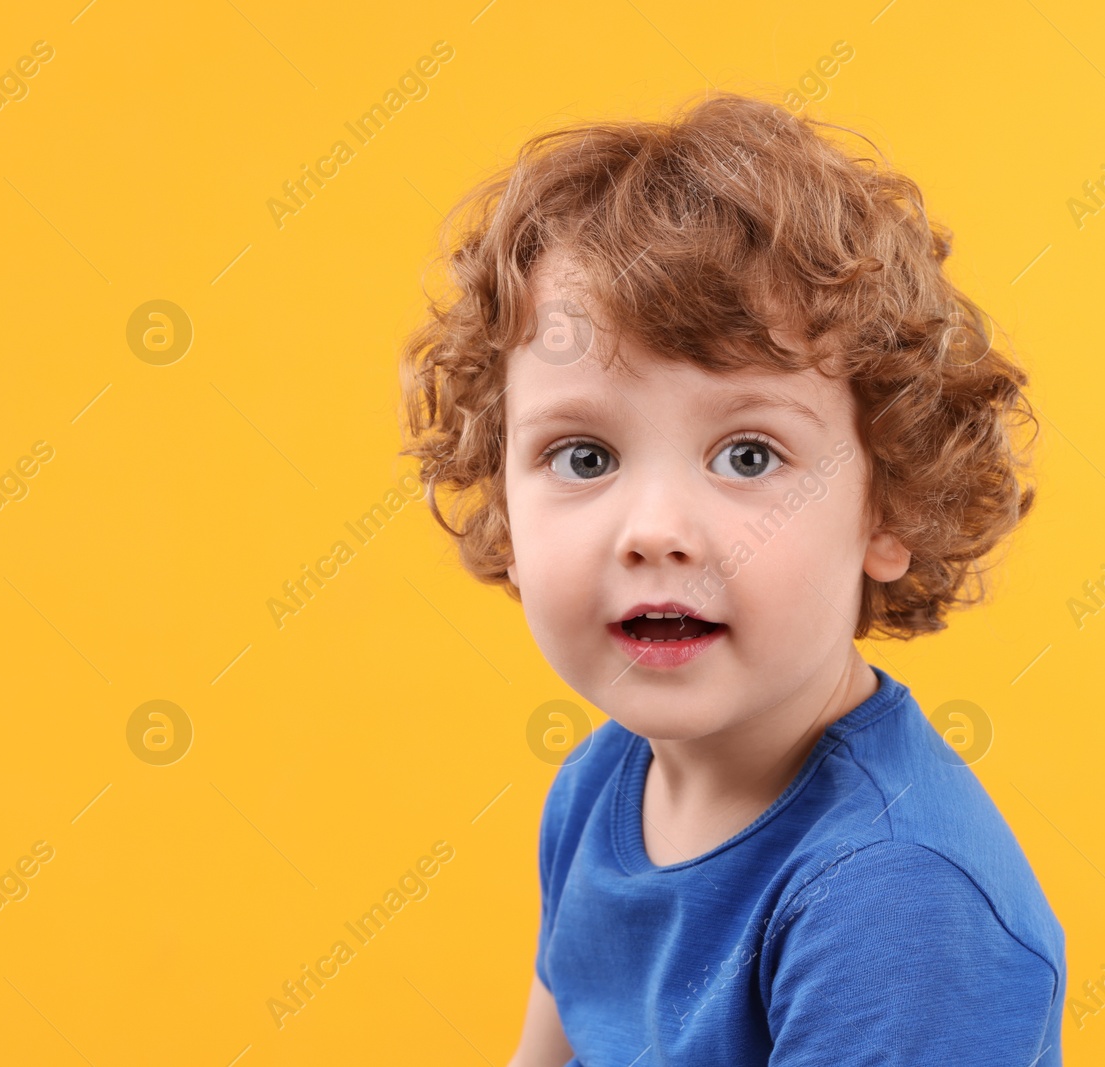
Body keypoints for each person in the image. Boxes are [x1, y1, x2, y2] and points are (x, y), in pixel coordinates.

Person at [398, 90, 1063, 1066]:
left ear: (891, 509)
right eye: (584, 456)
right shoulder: (598, 788)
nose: (655, 530)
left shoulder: (893, 897)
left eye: (748, 456)